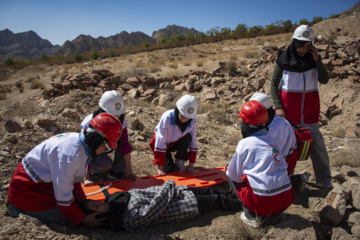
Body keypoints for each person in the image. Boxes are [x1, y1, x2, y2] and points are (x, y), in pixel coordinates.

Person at [7, 113, 123, 228]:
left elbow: (73, 181)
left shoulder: (81, 146)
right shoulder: (70, 156)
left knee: (77, 210)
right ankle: (15, 211)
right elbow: (63, 198)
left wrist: (83, 202)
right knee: (70, 221)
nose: (105, 151)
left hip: (42, 187)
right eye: (107, 147)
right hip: (26, 194)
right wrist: (83, 219)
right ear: (97, 139)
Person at [226, 100, 308, 228]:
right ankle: (278, 214)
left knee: (231, 176)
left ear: (246, 123)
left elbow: (234, 175)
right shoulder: (272, 139)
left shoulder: (245, 144)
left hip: (263, 203)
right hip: (286, 199)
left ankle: (252, 215)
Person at [270, 25, 332, 189]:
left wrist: (318, 62)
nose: (304, 49)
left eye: (307, 45)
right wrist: (278, 106)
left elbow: (325, 80)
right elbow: (273, 85)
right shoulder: (283, 59)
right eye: (301, 45)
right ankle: (284, 179)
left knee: (317, 147)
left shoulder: (314, 60)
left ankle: (324, 180)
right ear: (295, 42)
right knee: (286, 148)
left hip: (309, 114)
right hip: (289, 115)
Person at [79, 180, 242, 232]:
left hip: (177, 191)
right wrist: (169, 185)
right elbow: (154, 208)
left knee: (211, 190)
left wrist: (172, 188)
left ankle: (241, 195)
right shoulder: (127, 219)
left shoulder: (116, 201)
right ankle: (248, 205)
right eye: (96, 207)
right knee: (217, 200)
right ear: (99, 217)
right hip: (182, 205)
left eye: (96, 202)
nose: (100, 203)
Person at [81, 90, 136, 180]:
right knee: (104, 163)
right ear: (104, 110)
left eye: (118, 114)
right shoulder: (90, 123)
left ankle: (116, 173)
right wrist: (86, 178)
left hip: (107, 146)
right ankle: (89, 170)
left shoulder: (122, 120)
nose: (116, 117)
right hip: (93, 152)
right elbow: (84, 151)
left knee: (123, 146)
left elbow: (124, 145)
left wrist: (129, 171)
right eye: (113, 114)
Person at [249, 92, 299, 176]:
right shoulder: (275, 119)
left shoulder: (274, 129)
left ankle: (295, 181)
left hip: (280, 166)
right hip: (282, 161)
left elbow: (269, 156)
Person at [150, 94, 198, 175]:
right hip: (164, 144)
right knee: (170, 172)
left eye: (187, 117)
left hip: (176, 141)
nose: (184, 119)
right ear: (178, 110)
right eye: (182, 115)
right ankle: (169, 165)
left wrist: (191, 165)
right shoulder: (167, 117)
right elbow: (160, 141)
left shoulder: (192, 120)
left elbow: (193, 141)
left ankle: (180, 162)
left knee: (187, 137)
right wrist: (160, 168)